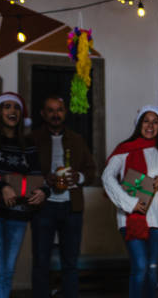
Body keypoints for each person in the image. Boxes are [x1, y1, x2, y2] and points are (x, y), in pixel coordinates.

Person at [0, 92, 48, 298]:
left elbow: (37, 175)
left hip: (18, 214)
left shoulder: (29, 144)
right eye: (6, 106)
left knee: (7, 271)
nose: (12, 111)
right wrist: (1, 186)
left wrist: (43, 191)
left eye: (16, 107)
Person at [102, 105, 158, 298]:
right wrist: (129, 203)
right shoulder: (124, 150)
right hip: (130, 217)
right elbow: (107, 177)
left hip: (157, 219)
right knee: (141, 266)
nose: (150, 125)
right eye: (146, 121)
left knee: (152, 269)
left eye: (155, 121)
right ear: (139, 124)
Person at [30, 95, 96, 298]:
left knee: (70, 262)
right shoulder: (32, 139)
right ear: (43, 114)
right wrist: (43, 179)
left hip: (71, 207)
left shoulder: (77, 139)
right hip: (43, 206)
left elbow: (91, 170)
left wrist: (79, 176)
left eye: (59, 110)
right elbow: (24, 170)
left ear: (65, 112)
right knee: (41, 262)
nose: (55, 114)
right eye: (50, 110)